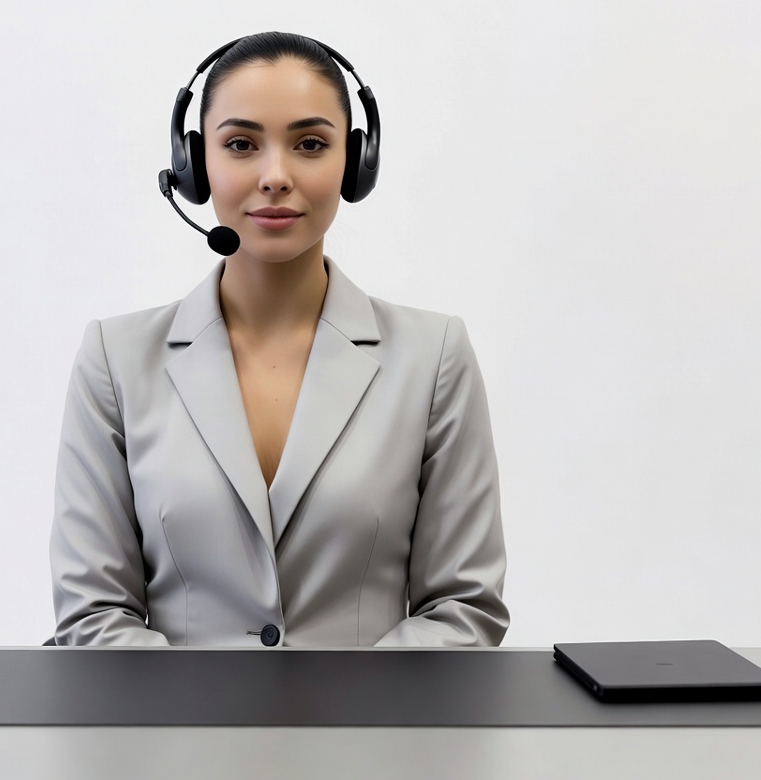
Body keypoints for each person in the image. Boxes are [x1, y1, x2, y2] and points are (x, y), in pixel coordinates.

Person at [50, 32, 508, 647]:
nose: (275, 176)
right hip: (171, 739)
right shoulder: (115, 359)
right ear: (193, 165)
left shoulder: (433, 358)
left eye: (310, 144)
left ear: (355, 162)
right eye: (241, 144)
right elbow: (91, 616)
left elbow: (463, 608)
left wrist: (337, 730)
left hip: (371, 739)